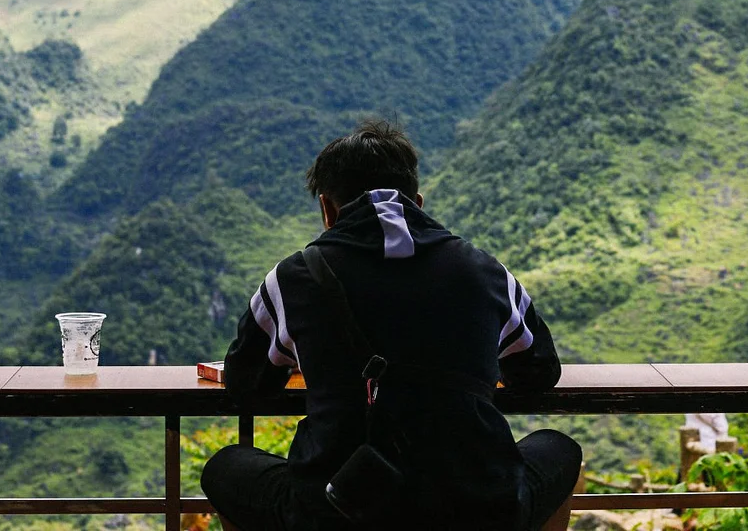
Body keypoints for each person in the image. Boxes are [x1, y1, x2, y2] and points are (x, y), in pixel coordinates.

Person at [201, 120, 582, 531]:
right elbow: (540, 370)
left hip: (336, 507)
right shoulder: (484, 271)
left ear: (327, 209)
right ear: (416, 201)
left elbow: (246, 384)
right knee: (559, 447)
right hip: (476, 506)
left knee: (226, 467)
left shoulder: (294, 278)